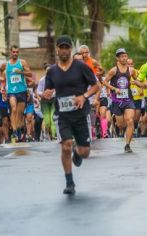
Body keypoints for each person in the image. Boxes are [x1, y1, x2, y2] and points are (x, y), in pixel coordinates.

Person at [43, 35, 99, 195]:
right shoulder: (52, 71)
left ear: (70, 49)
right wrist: (47, 93)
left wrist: (84, 96)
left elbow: (96, 86)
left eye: (67, 47)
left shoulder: (81, 67)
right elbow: (48, 90)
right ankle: (69, 182)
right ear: (57, 50)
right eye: (61, 47)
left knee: (85, 153)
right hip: (63, 116)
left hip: (81, 115)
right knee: (66, 145)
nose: (64, 50)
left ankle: (78, 152)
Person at [103, 48, 142, 153]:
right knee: (121, 125)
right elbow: (105, 82)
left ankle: (127, 145)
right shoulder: (114, 70)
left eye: (125, 56)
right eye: (121, 56)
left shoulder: (131, 70)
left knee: (130, 120)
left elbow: (138, 79)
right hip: (116, 100)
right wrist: (114, 89)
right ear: (118, 58)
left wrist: (140, 84)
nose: (124, 58)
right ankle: (116, 123)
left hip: (128, 99)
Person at [1, 45, 33, 142]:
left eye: (17, 52)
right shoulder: (5, 65)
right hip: (11, 92)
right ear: (10, 52)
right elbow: (3, 78)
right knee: (13, 109)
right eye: (13, 52)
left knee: (19, 115)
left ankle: (18, 129)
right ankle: (14, 131)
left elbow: (30, 74)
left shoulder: (22, 62)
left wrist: (21, 72)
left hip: (22, 91)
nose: (15, 54)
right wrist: (3, 89)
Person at [37, 63, 56, 140]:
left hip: (53, 100)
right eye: (47, 70)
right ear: (45, 71)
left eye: (50, 70)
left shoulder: (55, 78)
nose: (48, 71)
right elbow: (38, 91)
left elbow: (58, 89)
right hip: (45, 101)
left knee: (53, 117)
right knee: (47, 120)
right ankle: (47, 133)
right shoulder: (42, 80)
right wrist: (44, 94)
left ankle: (54, 135)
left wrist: (52, 94)